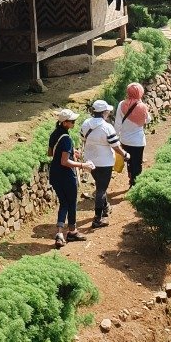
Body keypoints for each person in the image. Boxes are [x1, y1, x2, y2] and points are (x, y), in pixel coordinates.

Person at [47, 109, 92, 248]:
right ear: (65, 123)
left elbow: (50, 153)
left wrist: (72, 152)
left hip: (54, 174)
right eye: (72, 121)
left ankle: (60, 233)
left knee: (64, 202)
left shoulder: (55, 134)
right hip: (66, 175)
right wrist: (82, 165)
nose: (74, 123)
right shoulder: (66, 138)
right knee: (71, 202)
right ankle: (72, 231)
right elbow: (64, 162)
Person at [80, 101, 128, 229]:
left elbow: (83, 138)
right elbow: (115, 146)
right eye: (107, 111)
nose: (108, 113)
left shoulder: (85, 124)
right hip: (105, 162)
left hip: (90, 161)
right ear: (104, 113)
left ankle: (105, 207)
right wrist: (124, 155)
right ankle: (97, 219)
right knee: (101, 189)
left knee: (99, 185)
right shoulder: (107, 127)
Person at [117, 83, 150, 188]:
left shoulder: (121, 104)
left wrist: (115, 138)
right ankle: (135, 183)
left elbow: (118, 123)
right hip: (138, 141)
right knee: (137, 163)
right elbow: (148, 120)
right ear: (140, 93)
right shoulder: (142, 107)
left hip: (124, 140)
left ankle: (131, 179)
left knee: (129, 161)